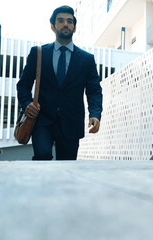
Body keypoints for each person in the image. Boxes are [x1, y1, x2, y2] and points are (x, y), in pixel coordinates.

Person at [17, 5, 103, 160]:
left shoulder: (87, 59)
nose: (65, 24)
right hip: (42, 119)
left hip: (71, 122)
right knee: (42, 156)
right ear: (52, 26)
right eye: (61, 21)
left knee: (67, 166)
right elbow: (23, 84)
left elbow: (94, 90)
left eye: (70, 21)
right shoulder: (38, 53)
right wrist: (26, 103)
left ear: (74, 28)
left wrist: (95, 114)